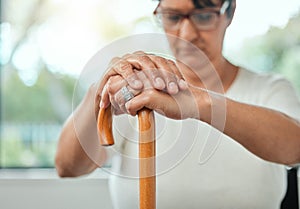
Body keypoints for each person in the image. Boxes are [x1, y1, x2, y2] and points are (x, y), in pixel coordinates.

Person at [55, 0, 300, 208]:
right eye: (172, 17)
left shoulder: (269, 89)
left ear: (230, 11)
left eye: (203, 16)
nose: (187, 34)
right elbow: (67, 167)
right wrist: (99, 94)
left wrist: (200, 102)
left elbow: (295, 148)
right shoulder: (135, 92)